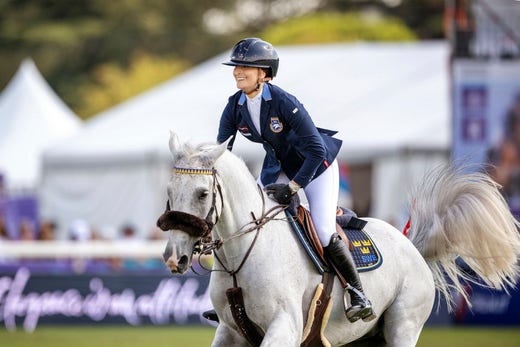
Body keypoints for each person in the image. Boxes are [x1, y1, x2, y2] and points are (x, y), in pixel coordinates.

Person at [213, 38, 374, 323]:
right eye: (236, 66)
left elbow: (316, 150)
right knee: (252, 221)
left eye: (246, 67)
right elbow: (221, 152)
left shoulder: (284, 102)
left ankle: (357, 292)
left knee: (323, 230)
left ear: (264, 73)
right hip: (278, 167)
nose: (238, 71)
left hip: (316, 167)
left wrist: (294, 188)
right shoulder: (234, 105)